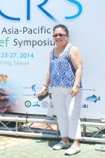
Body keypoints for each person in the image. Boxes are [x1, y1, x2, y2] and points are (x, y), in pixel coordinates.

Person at [41, 24, 83, 155]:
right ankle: (64, 140)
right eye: (55, 35)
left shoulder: (72, 49)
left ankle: (76, 144)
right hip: (56, 88)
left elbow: (79, 68)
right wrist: (45, 85)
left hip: (71, 89)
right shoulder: (52, 51)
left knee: (72, 115)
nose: (58, 37)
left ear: (67, 36)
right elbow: (49, 70)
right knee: (61, 115)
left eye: (61, 34)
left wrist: (76, 85)